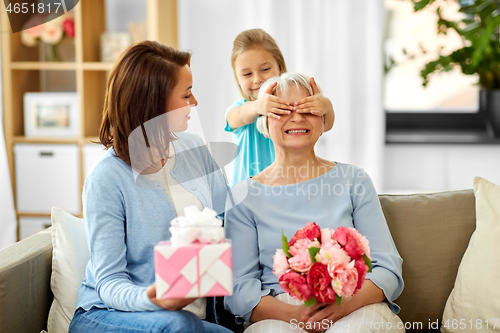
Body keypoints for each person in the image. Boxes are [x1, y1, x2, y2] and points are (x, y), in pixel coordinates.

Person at [68, 41, 231, 333]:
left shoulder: (194, 149)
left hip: (186, 320)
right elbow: (109, 283)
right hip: (106, 314)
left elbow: (229, 220)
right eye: (186, 94)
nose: (194, 102)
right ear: (155, 104)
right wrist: (152, 298)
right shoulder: (107, 179)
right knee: (178, 325)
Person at [224, 73, 404, 333]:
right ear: (263, 120)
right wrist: (297, 315)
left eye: (308, 108)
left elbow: (387, 267)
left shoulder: (354, 180)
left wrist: (343, 306)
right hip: (279, 313)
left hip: (355, 305)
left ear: (322, 117)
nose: (297, 118)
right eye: (282, 110)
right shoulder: (242, 197)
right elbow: (239, 289)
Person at [225, 28, 335, 186]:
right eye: (247, 74)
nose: (257, 79)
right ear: (237, 77)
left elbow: (326, 125)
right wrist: (258, 107)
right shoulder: (242, 109)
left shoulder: (292, 107)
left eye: (265, 69)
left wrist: (327, 107)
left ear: (280, 68)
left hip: (286, 189)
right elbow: (237, 116)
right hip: (248, 198)